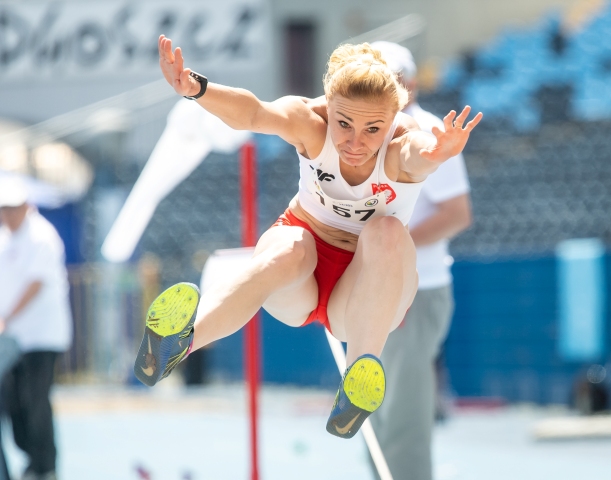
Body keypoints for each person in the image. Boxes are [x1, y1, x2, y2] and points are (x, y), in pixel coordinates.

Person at [134, 35, 482, 439]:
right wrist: (198, 90)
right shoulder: (309, 121)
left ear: (393, 119)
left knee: (386, 230)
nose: (355, 143)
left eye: (373, 129)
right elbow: (254, 113)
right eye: (344, 124)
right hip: (301, 278)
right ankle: (179, 344)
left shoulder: (404, 141)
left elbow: (417, 152)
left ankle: (359, 380)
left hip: (361, 297)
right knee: (291, 246)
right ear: (328, 107)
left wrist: (439, 153)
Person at [367, 42, 472, 480]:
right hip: (374, 291)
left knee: (404, 415)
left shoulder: (429, 135)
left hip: (415, 292)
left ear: (408, 86)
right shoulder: (365, 134)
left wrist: (389, 243)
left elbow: (457, 213)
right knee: (375, 412)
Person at [0, 181, 73, 480]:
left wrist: (6, 317)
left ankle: (45, 466)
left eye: (12, 208)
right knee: (14, 401)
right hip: (14, 339)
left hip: (42, 336)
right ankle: (31, 459)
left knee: (36, 400)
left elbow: (35, 283)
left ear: (26, 206)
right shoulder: (6, 238)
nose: (7, 214)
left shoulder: (42, 236)